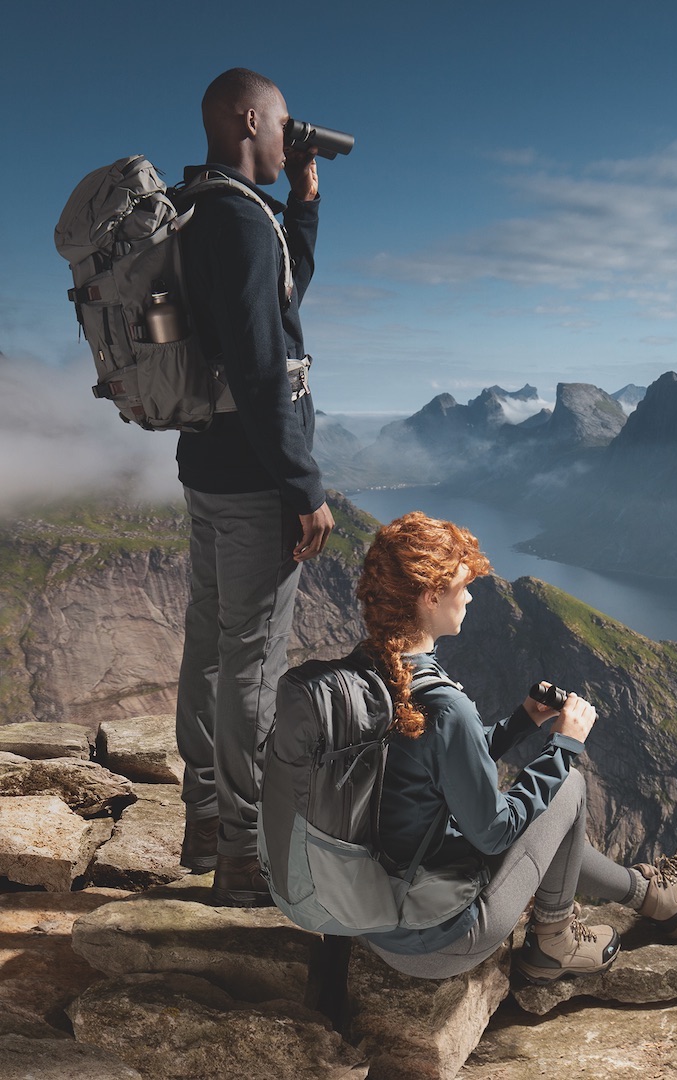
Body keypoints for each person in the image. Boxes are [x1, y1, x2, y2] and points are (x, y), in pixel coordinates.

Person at [353, 512, 677, 980]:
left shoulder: (362, 671)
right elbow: (496, 833)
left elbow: (430, 768)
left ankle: (657, 900)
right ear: (430, 596)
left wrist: (520, 723)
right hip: (435, 939)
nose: (469, 594)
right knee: (569, 787)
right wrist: (564, 746)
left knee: (542, 818)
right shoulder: (444, 705)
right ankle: (554, 942)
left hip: (371, 910)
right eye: (463, 585)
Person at [174, 67, 335, 906]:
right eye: (279, 127)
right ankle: (243, 850)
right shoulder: (236, 221)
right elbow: (263, 364)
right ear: (248, 118)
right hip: (251, 482)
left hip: (208, 469)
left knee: (210, 638)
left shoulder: (203, 208)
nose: (286, 139)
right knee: (254, 660)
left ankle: (205, 817)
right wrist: (303, 484)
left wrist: (302, 204)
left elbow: (275, 307)